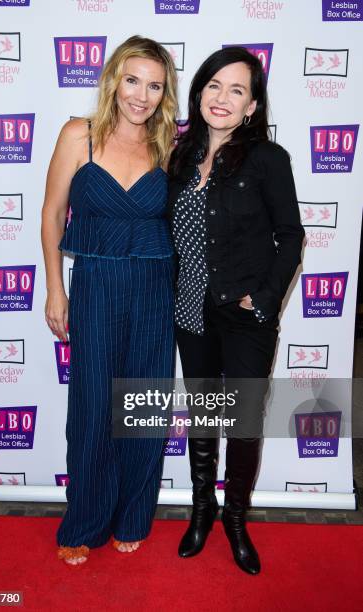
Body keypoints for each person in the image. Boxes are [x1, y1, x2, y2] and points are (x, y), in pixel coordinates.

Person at [167, 46, 305, 575]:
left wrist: (265, 299)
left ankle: (236, 519)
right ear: (199, 92)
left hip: (245, 315)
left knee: (242, 421)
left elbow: (291, 236)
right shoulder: (177, 155)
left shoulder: (269, 159)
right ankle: (202, 510)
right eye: (214, 85)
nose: (222, 98)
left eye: (237, 90)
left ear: (252, 106)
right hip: (189, 307)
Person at [41, 35, 178, 565]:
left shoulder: (168, 145)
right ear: (114, 79)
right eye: (133, 80)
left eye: (154, 85)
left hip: (153, 291)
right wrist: (56, 288)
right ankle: (85, 519)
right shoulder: (81, 135)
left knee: (142, 408)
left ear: (164, 94)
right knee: (94, 408)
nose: (141, 95)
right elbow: (53, 216)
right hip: (95, 286)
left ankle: (132, 515)